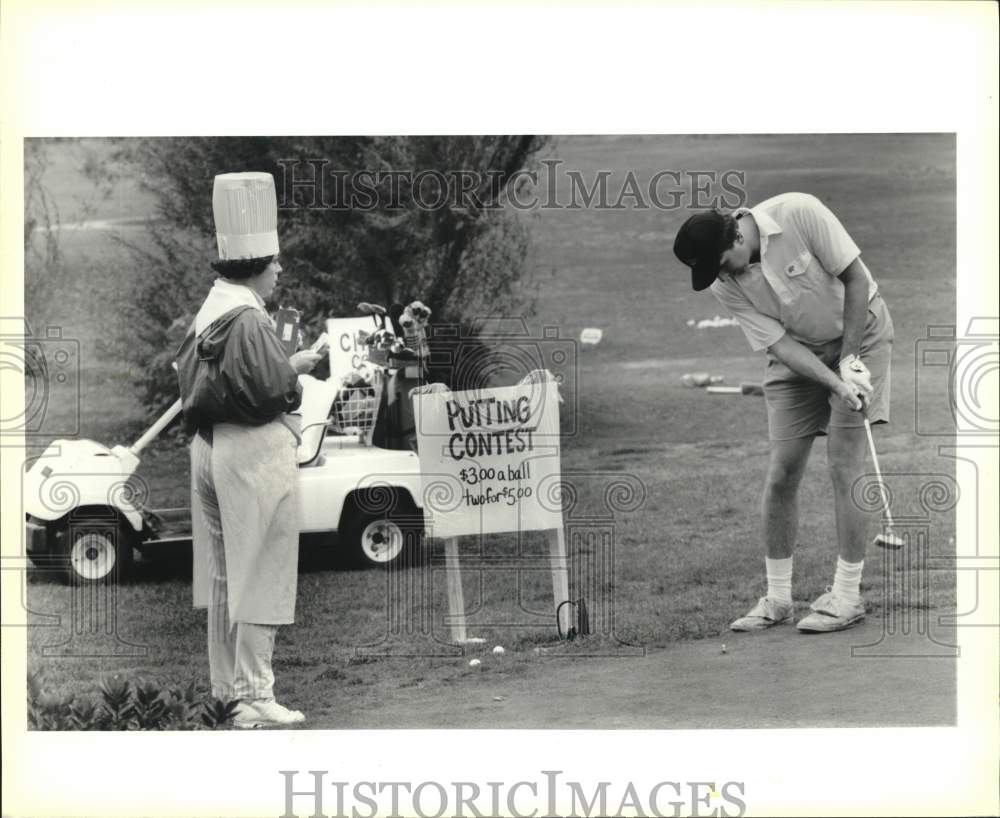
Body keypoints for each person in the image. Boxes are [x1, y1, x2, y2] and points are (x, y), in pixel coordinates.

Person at [673, 192, 894, 633]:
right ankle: (777, 600)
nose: (719, 276)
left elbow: (854, 279)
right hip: (796, 352)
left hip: (859, 332)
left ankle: (847, 597)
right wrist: (833, 382)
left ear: (736, 234)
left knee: (843, 463)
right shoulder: (724, 284)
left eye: (719, 263)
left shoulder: (799, 213)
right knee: (782, 472)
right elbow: (779, 344)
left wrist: (849, 363)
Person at [178, 172, 321, 727]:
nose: (280, 269)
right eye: (275, 262)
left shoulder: (212, 307)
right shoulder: (250, 318)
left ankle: (226, 692)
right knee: (259, 569)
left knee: (222, 576)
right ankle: (255, 695)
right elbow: (272, 391)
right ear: (257, 265)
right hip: (252, 452)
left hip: (208, 448)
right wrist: (299, 367)